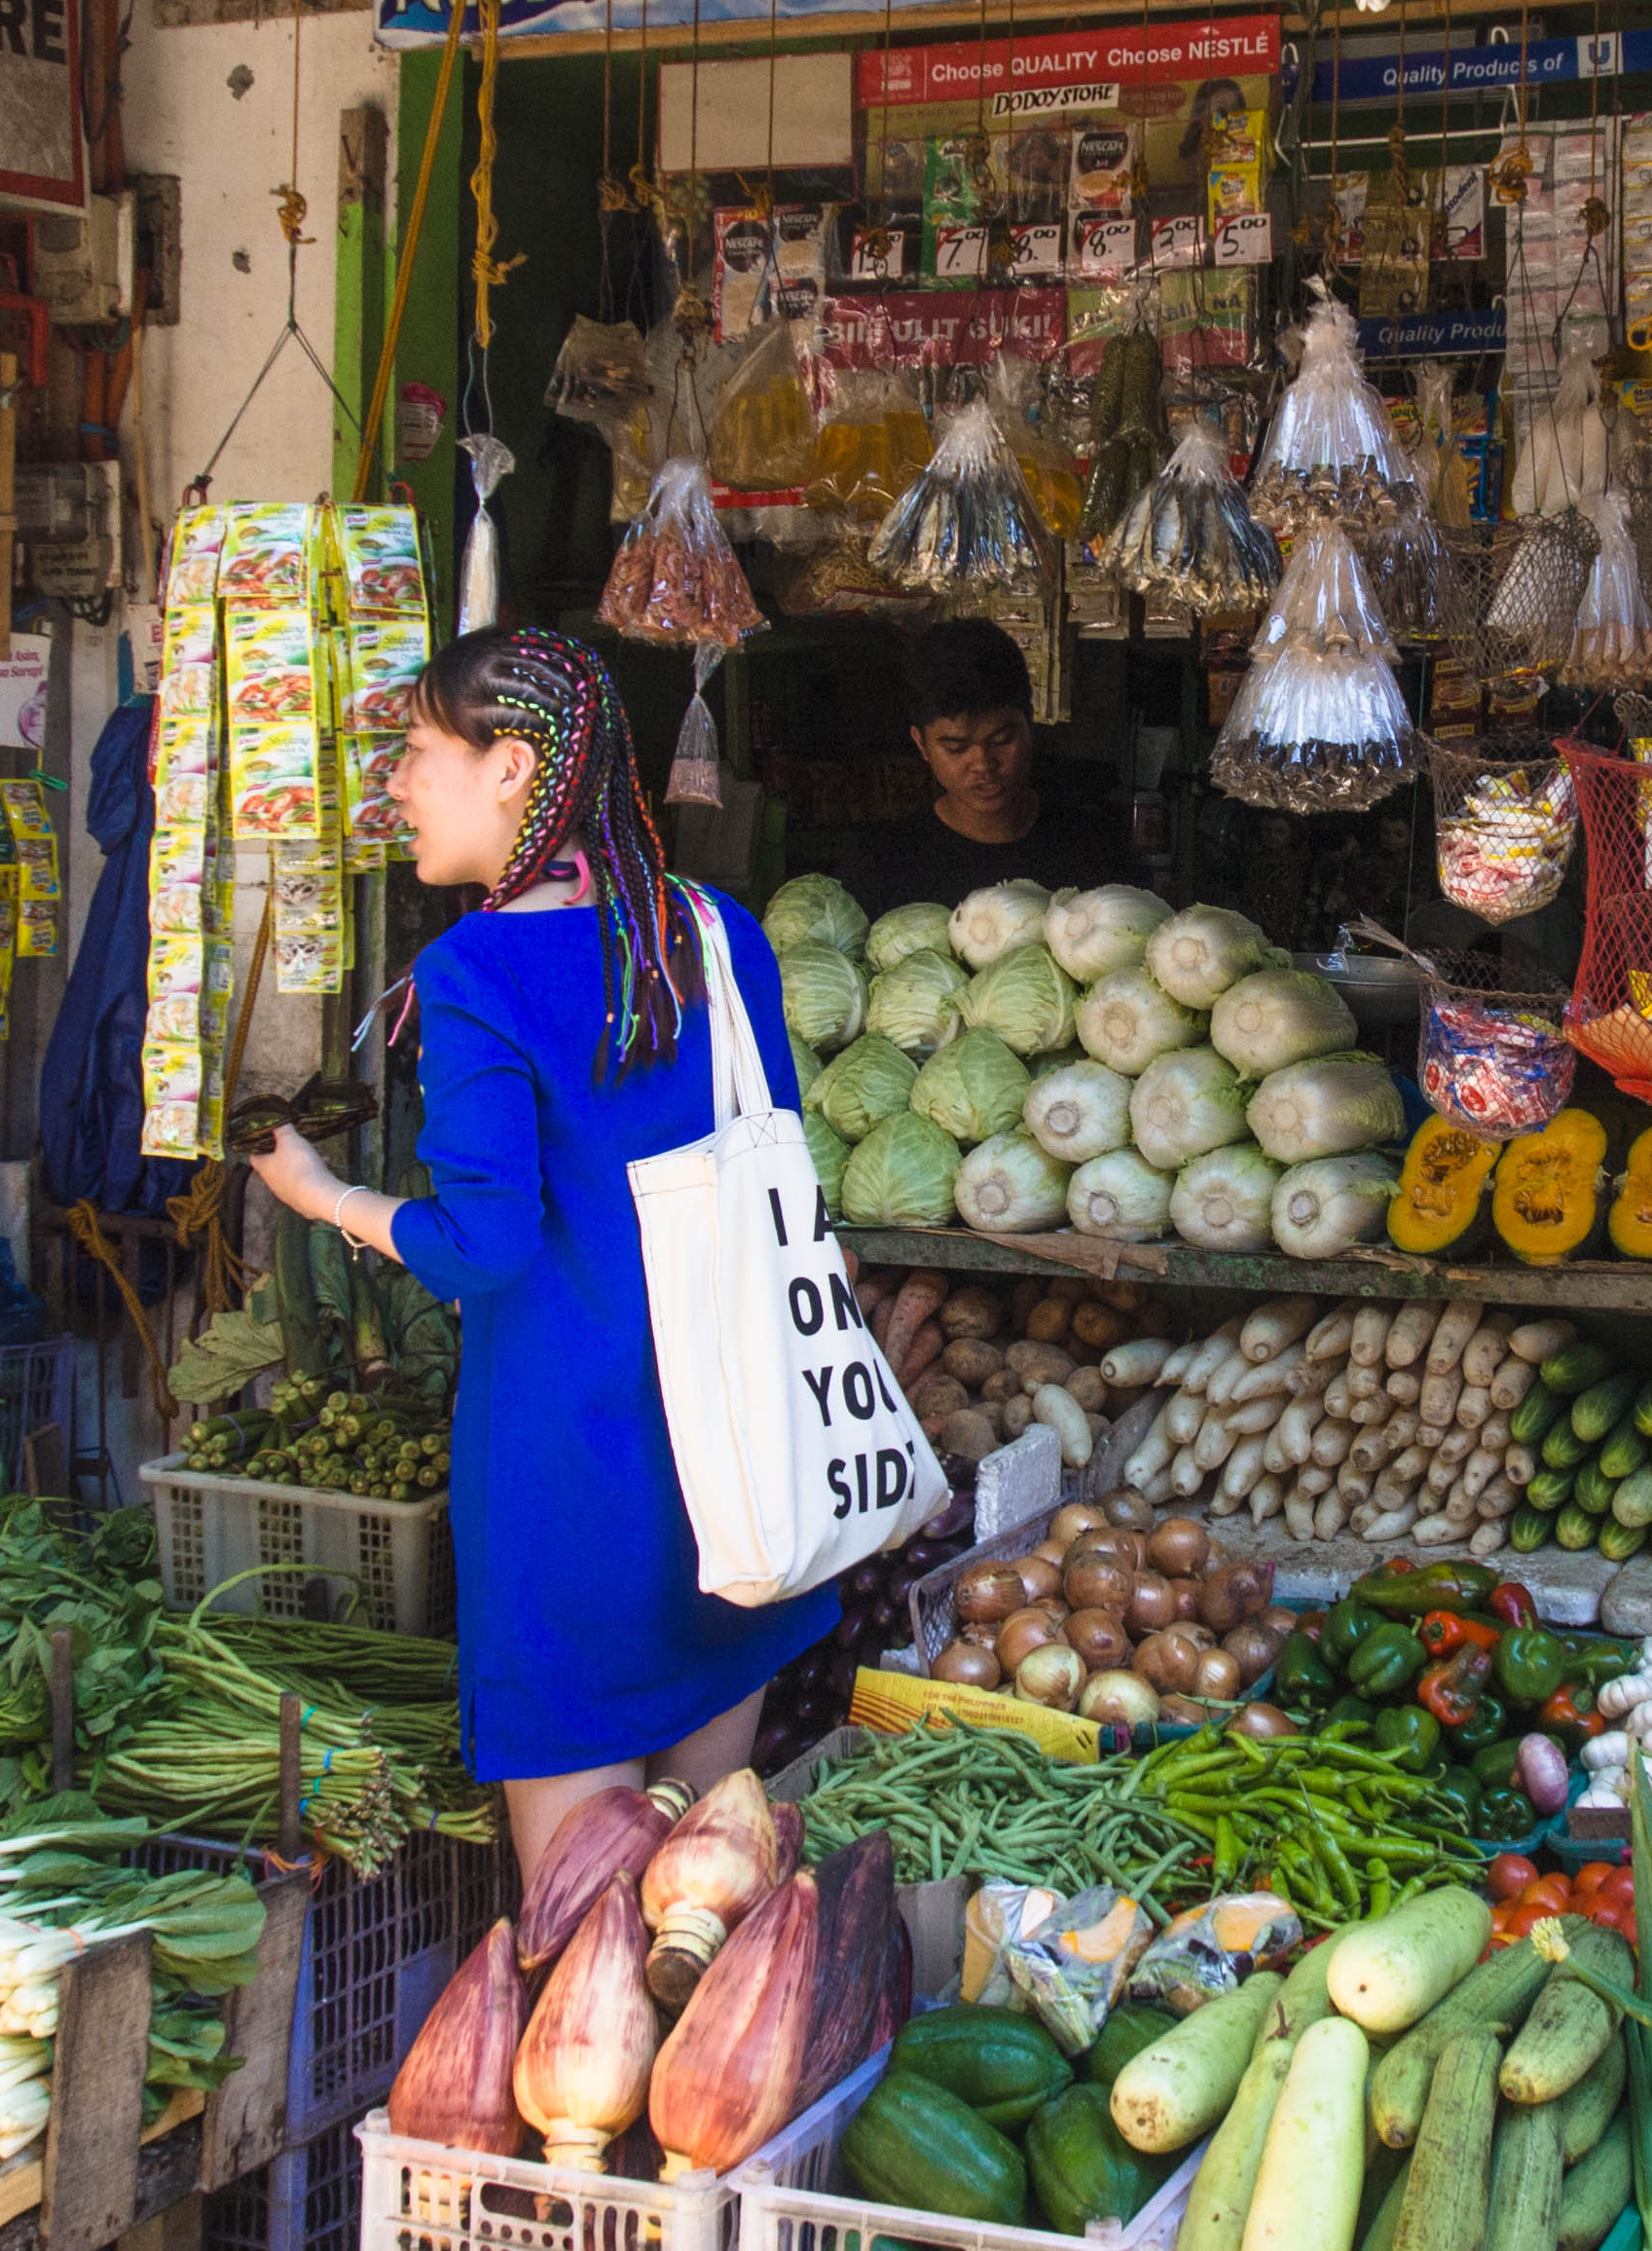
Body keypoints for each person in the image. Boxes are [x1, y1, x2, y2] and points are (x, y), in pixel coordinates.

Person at [247, 626, 829, 1874]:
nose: (396, 783)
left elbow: (484, 1246)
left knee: (585, 1935)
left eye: (416, 751)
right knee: (703, 1908)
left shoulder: (477, 969)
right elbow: (780, 1158)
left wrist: (325, 1195)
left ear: (510, 766)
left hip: (571, 1487)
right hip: (736, 1473)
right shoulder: (718, 932)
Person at [830, 617, 1143, 912]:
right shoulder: (882, 866)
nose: (983, 764)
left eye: (1002, 740)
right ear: (921, 744)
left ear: (1029, 723)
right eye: (956, 748)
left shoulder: (1095, 845)